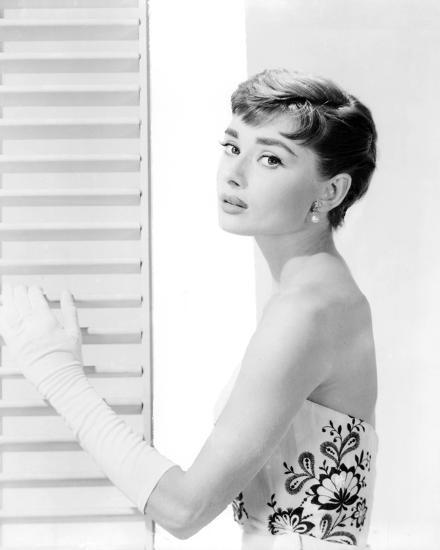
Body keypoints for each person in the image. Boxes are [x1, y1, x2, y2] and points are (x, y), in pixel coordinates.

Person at [0, 68, 378, 550]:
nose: (234, 173)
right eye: (232, 146)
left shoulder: (309, 309)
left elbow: (184, 509)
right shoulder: (318, 292)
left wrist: (58, 376)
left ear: (330, 192)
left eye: (270, 158)